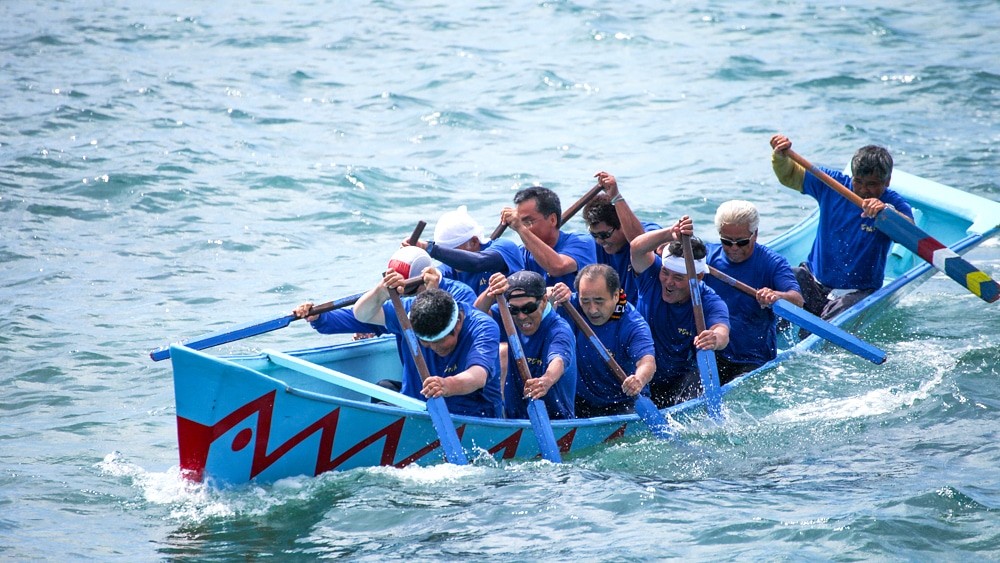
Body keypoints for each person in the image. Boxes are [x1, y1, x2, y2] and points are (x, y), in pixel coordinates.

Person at [770, 134, 914, 324]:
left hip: (857, 293)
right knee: (781, 281)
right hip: (813, 280)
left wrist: (887, 214)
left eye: (871, 184)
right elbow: (791, 175)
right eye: (858, 182)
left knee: (822, 330)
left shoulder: (892, 204)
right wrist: (780, 157)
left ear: (887, 181)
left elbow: (910, 235)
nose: (863, 190)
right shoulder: (833, 184)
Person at [351, 260, 503, 418]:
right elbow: (363, 314)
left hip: (473, 415)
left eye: (439, 341)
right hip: (417, 411)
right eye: (425, 341)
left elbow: (478, 376)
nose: (433, 347)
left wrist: (446, 385)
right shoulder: (411, 312)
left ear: (457, 323)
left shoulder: (483, 327)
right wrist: (381, 292)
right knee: (383, 390)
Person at [631, 222, 730, 408]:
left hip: (679, 381)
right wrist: (670, 233)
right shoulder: (652, 276)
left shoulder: (709, 302)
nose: (668, 282)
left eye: (677, 278)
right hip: (638, 374)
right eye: (665, 273)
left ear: (698, 277)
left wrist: (713, 339)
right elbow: (636, 248)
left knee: (698, 377)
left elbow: (722, 332)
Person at [703, 200, 803, 384]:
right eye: (726, 241)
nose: (733, 248)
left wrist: (777, 296)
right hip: (712, 354)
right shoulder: (706, 258)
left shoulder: (773, 263)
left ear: (755, 234)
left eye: (741, 242)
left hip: (753, 360)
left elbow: (797, 300)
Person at [293, 246, 476, 341]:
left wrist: (433, 294)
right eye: (396, 292)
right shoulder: (402, 306)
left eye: (405, 292)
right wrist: (317, 316)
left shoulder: (463, 295)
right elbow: (355, 317)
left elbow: (468, 337)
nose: (401, 298)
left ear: (422, 281)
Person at [549, 264, 657, 418]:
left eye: (599, 301)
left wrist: (639, 379)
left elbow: (648, 362)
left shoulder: (632, 323)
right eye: (585, 301)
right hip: (581, 401)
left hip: (624, 402)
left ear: (616, 295)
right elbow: (539, 299)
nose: (592, 309)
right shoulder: (569, 304)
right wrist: (554, 293)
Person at [481, 270, 577, 420]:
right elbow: (474, 319)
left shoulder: (559, 330)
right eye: (514, 309)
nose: (521, 316)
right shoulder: (507, 317)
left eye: (529, 308)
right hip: (515, 419)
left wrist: (546, 381)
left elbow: (558, 360)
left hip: (555, 420)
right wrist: (491, 290)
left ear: (544, 301)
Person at [406, 205, 525, 297]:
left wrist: (430, 248)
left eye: (452, 251)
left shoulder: (505, 247)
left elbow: (477, 262)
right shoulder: (449, 269)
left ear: (474, 241)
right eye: (446, 253)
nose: (449, 258)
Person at [583, 171, 661, 306]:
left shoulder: (649, 231)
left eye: (604, 235)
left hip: (649, 309)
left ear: (621, 225)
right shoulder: (599, 243)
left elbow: (639, 243)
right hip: (620, 311)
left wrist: (616, 196)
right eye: (594, 235)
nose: (599, 241)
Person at [500, 185, 597, 288]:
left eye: (528, 222)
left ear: (552, 220)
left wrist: (520, 227)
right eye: (521, 222)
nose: (525, 229)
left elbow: (557, 267)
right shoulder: (521, 254)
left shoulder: (583, 242)